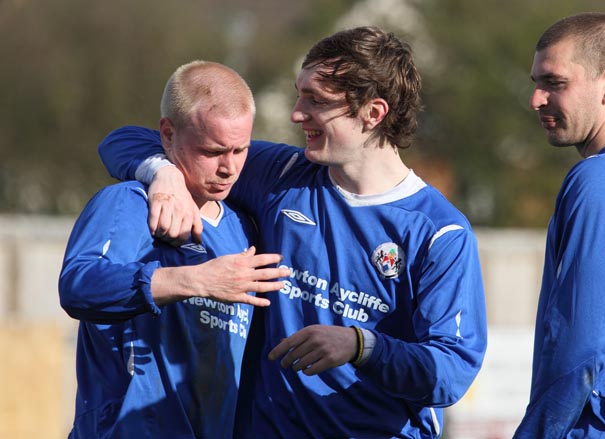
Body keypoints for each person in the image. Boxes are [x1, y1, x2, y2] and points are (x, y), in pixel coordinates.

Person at [99, 26, 488, 439]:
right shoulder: (284, 175)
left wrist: (361, 346)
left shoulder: (439, 232)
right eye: (299, 95)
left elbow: (451, 372)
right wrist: (164, 174)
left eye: (316, 100)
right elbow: (124, 140)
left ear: (373, 113)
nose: (297, 114)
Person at [58, 60, 289, 438]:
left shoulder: (243, 228)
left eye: (240, 150)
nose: (229, 168)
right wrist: (195, 280)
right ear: (167, 134)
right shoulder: (131, 203)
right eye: (213, 151)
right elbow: (78, 286)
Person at [513, 12, 605, 438]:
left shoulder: (601, 178)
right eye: (536, 83)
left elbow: (580, 347)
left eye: (554, 83)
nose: (536, 99)